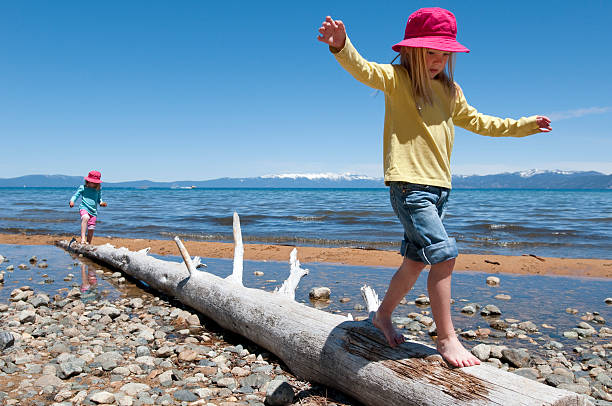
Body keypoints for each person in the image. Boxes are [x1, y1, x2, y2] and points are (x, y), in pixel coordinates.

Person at [317, 7, 552, 368]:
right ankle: (446, 337)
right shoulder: (396, 79)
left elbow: (481, 122)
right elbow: (362, 68)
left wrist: (524, 125)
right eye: (430, 52)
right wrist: (341, 45)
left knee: (414, 261)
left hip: (440, 189)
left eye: (444, 54)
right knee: (444, 254)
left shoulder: (450, 91)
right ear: (411, 50)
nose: (437, 60)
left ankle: (382, 316)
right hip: (410, 187)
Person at [69, 170, 107, 244]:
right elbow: (76, 195)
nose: (92, 183)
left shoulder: (98, 189)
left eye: (95, 182)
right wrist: (72, 201)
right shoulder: (83, 187)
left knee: (91, 228)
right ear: (87, 181)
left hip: (93, 211)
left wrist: (102, 203)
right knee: (85, 217)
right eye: (91, 181)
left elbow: (99, 199)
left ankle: (89, 242)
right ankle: (83, 239)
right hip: (84, 207)